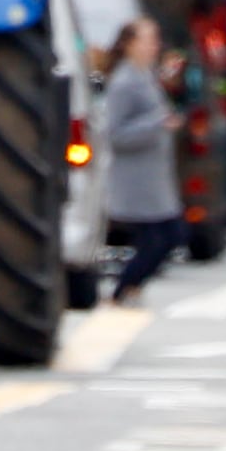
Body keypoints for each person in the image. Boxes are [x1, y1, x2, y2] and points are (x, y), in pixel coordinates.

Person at [97, 18, 186, 299]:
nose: (154, 47)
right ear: (130, 45)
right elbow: (116, 133)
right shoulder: (125, 82)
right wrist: (158, 123)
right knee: (161, 237)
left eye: (155, 40)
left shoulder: (145, 76)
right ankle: (125, 288)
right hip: (137, 180)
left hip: (153, 177)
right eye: (148, 40)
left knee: (167, 236)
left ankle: (130, 288)